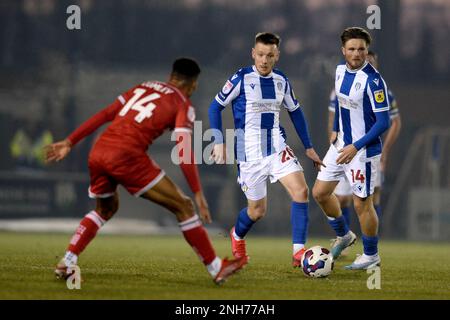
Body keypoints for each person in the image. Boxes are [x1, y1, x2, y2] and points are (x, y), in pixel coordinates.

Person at [44, 58, 247, 285]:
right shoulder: (182, 103)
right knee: (185, 206)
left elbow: (105, 114)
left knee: (106, 208)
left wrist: (70, 141)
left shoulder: (143, 86)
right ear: (193, 85)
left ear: (172, 76)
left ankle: (67, 260)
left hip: (99, 151)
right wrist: (198, 193)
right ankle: (216, 268)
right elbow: (183, 151)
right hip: (127, 156)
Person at [208, 32, 323, 267]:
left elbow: (296, 112)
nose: (264, 60)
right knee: (257, 211)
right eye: (260, 54)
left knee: (301, 191)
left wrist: (309, 147)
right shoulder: (241, 78)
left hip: (276, 147)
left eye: (269, 55)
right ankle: (237, 236)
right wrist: (218, 141)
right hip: (248, 153)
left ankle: (298, 253)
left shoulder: (281, 81)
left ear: (277, 56)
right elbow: (214, 107)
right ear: (253, 53)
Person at [312, 27, 391, 270]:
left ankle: (371, 255)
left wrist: (356, 147)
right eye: (352, 49)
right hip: (340, 146)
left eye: (361, 49)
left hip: (363, 152)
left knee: (361, 204)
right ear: (343, 51)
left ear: (367, 51)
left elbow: (383, 122)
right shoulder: (338, 72)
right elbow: (340, 105)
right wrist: (335, 130)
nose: (357, 54)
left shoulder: (374, 80)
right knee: (320, 193)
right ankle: (344, 235)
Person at [326, 51, 401, 238]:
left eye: (372, 63)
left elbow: (394, 122)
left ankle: (371, 244)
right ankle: (344, 238)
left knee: (370, 197)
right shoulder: (340, 86)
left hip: (368, 151)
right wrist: (334, 142)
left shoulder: (381, 90)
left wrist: (385, 151)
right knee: (341, 198)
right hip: (344, 148)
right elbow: (333, 116)